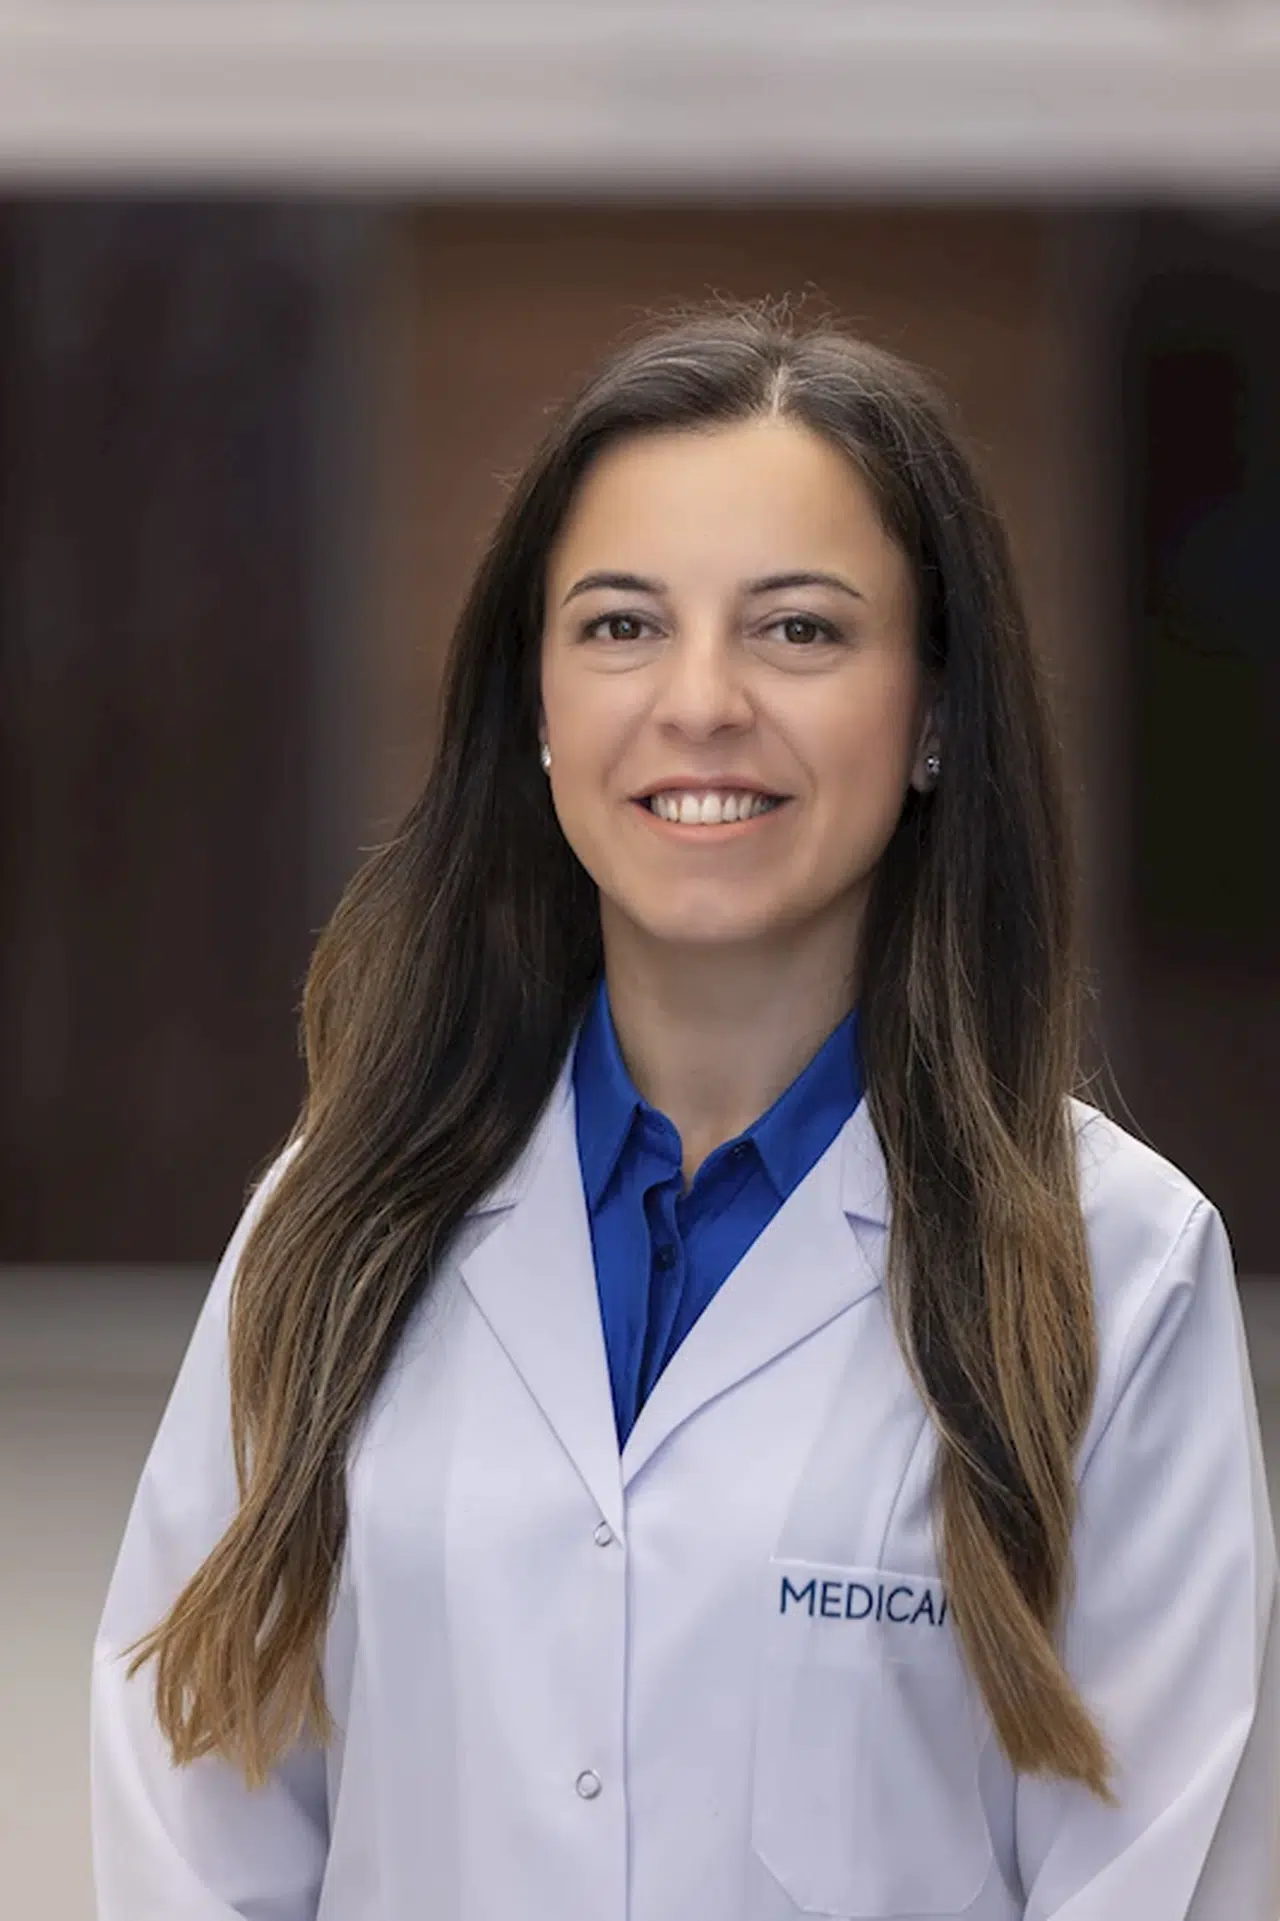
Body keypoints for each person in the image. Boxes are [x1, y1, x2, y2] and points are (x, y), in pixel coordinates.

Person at [91, 305, 1279, 1920]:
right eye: (622, 625)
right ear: (537, 707)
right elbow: (192, 1825)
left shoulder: (1116, 1270)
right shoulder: (339, 1220)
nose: (701, 701)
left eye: (798, 630)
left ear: (935, 714)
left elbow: (1158, 1876)